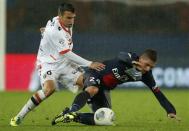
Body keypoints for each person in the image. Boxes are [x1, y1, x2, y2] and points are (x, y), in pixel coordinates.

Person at [10, 3, 105, 126]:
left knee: (90, 83)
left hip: (64, 63)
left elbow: (48, 29)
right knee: (50, 89)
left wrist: (44, 32)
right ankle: (19, 117)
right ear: (60, 16)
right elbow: (67, 53)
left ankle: (87, 113)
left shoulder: (55, 21)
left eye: (73, 17)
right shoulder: (55, 31)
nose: (72, 21)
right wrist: (89, 63)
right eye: (68, 18)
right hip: (48, 64)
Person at [52, 49, 180, 126]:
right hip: (95, 73)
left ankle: (71, 116)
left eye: (151, 67)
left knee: (104, 118)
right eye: (146, 65)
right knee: (92, 89)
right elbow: (121, 56)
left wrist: (171, 111)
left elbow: (158, 93)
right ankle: (71, 109)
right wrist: (132, 63)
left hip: (104, 89)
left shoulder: (146, 76)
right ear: (140, 59)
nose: (147, 69)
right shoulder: (130, 57)